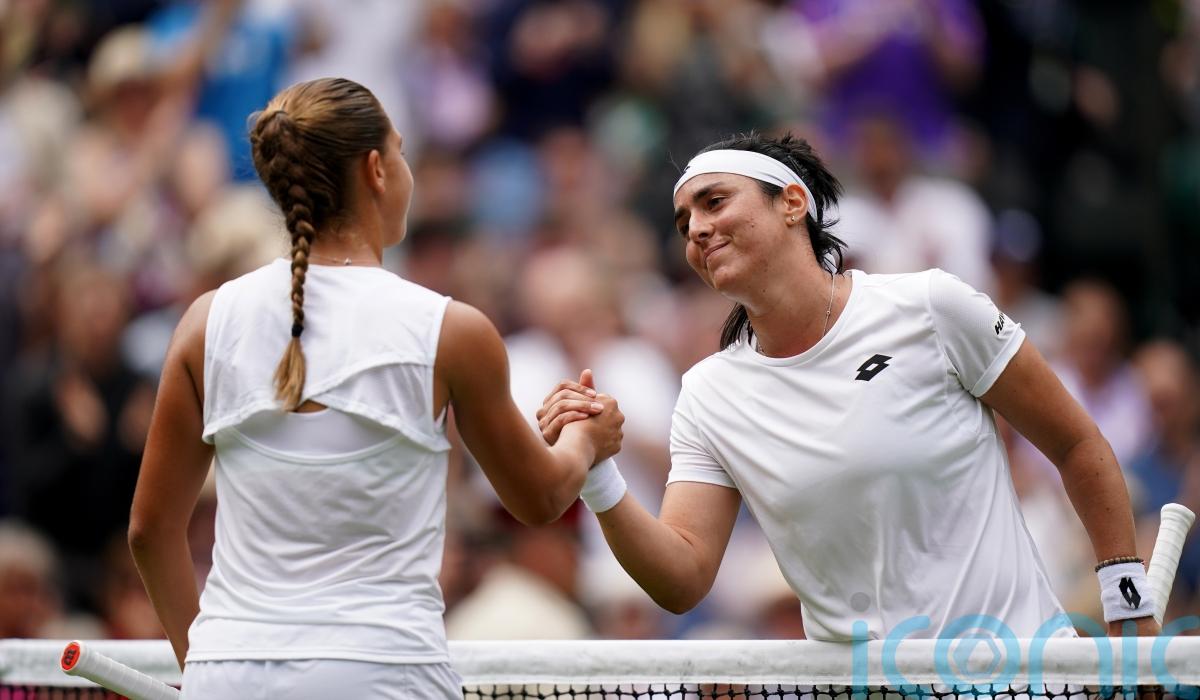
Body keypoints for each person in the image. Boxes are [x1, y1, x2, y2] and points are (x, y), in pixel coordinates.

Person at [538, 132, 1158, 642]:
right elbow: (683, 577)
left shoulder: (931, 306)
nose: (696, 229)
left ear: (792, 203)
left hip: (1019, 676)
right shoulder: (707, 394)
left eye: (715, 202)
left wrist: (1125, 596)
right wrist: (598, 474)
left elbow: (1077, 444)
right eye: (684, 222)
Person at [127, 78, 622, 698]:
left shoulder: (204, 324)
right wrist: (585, 438)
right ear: (376, 170)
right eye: (401, 152)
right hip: (383, 675)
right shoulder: (451, 331)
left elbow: (149, 531)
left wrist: (202, 664)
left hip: (228, 674)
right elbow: (540, 498)